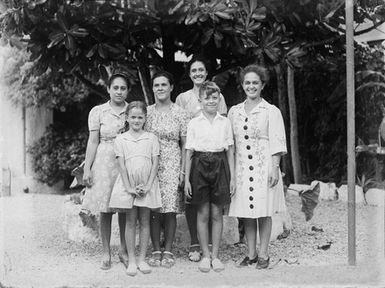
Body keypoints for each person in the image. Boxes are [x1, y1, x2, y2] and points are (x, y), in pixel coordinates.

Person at [228, 64, 287, 269]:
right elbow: (231, 144)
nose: (251, 86)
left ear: (262, 85)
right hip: (242, 168)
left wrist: (275, 167)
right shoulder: (234, 112)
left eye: (255, 83)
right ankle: (251, 253)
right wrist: (232, 174)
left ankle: (264, 254)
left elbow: (278, 141)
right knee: (246, 212)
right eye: (247, 83)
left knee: (264, 210)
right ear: (242, 85)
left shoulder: (270, 111)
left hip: (264, 167)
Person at [175, 56, 228, 262]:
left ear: (206, 73)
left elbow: (221, 125)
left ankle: (211, 248)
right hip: (190, 151)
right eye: (194, 71)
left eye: (201, 70)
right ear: (189, 75)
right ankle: (195, 243)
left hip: (213, 154)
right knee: (192, 200)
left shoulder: (217, 95)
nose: (197, 74)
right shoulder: (182, 98)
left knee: (212, 205)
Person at [184, 81, 235, 273]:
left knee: (216, 213)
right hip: (199, 166)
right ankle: (205, 255)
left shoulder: (225, 122)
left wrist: (232, 177)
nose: (211, 101)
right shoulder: (194, 122)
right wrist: (187, 179)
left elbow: (230, 151)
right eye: (207, 97)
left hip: (220, 165)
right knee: (203, 212)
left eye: (215, 97)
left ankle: (216, 256)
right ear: (200, 100)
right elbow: (189, 152)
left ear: (219, 99)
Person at [81, 69, 130, 270]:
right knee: (106, 210)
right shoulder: (98, 111)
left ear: (128, 91)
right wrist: (87, 168)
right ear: (108, 89)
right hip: (103, 161)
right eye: (115, 87)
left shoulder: (133, 109)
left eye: (123, 88)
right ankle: (106, 252)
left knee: (125, 207)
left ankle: (124, 251)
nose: (119, 91)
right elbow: (93, 141)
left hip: (126, 162)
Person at [109, 101, 162, 276]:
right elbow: (122, 166)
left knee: (145, 221)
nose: (137, 120)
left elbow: (155, 164)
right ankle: (131, 260)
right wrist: (129, 187)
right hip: (129, 185)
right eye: (133, 117)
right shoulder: (121, 139)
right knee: (131, 222)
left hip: (147, 184)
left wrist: (147, 186)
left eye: (140, 117)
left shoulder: (151, 138)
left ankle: (142, 259)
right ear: (127, 118)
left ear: (145, 118)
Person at [145, 71, 190, 268]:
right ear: (153, 88)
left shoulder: (181, 113)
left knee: (170, 209)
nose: (160, 88)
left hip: (173, 163)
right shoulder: (147, 112)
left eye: (164, 84)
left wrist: (183, 171)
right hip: (150, 164)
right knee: (154, 208)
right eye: (157, 85)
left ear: (171, 87)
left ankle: (169, 249)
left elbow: (185, 145)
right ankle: (155, 249)